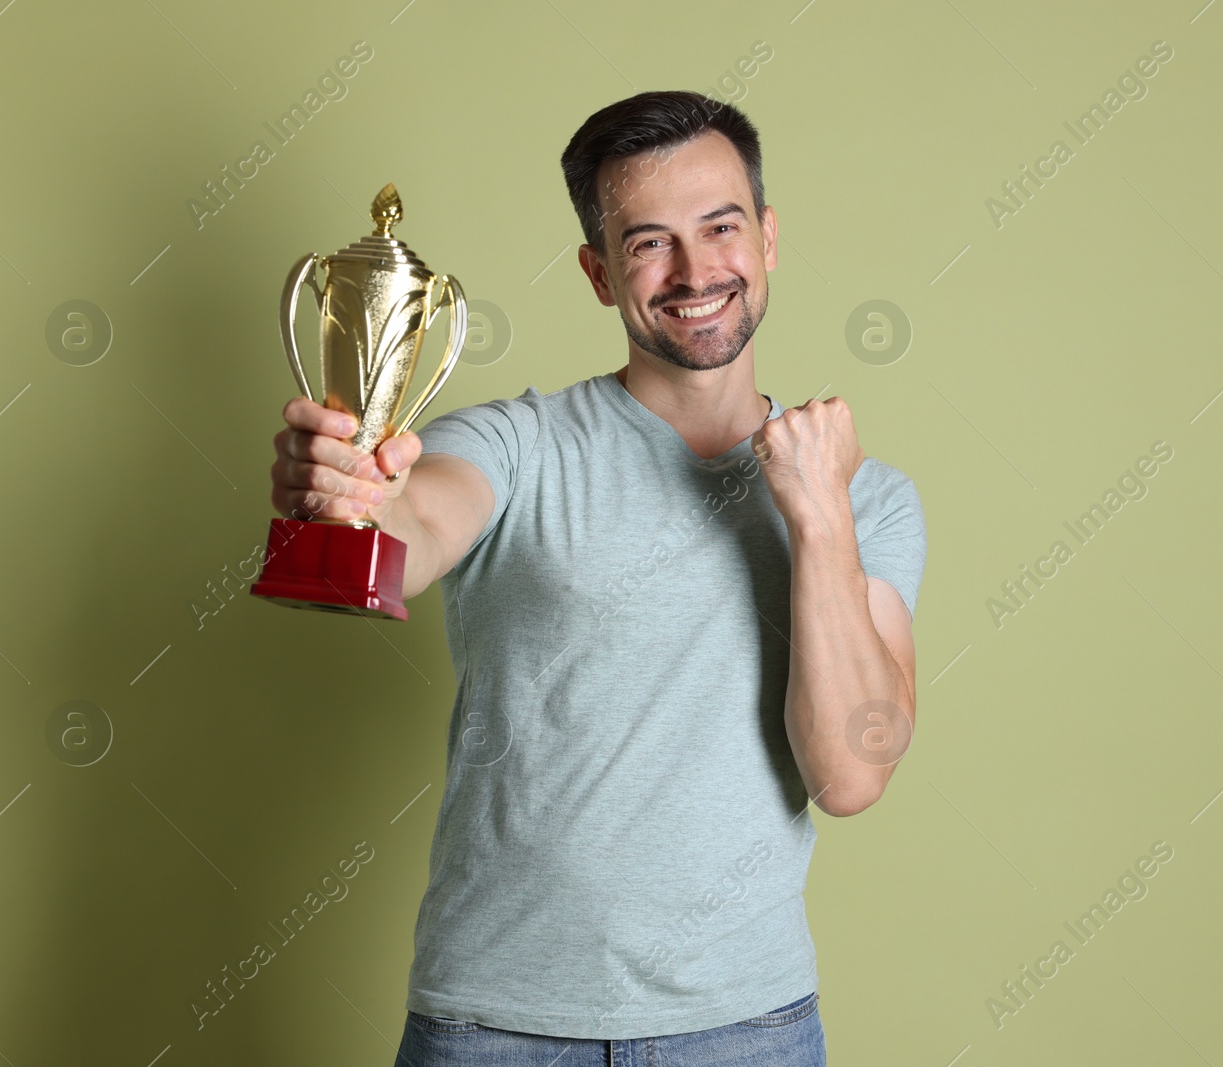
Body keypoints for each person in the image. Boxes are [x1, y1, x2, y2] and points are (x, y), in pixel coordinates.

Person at [268, 89, 926, 1066]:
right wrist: (348, 496)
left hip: (744, 1030)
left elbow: (850, 772)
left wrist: (817, 514)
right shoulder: (515, 442)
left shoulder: (868, 499)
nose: (696, 270)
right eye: (649, 240)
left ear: (767, 236)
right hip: (492, 1026)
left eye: (719, 227)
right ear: (598, 271)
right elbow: (414, 519)